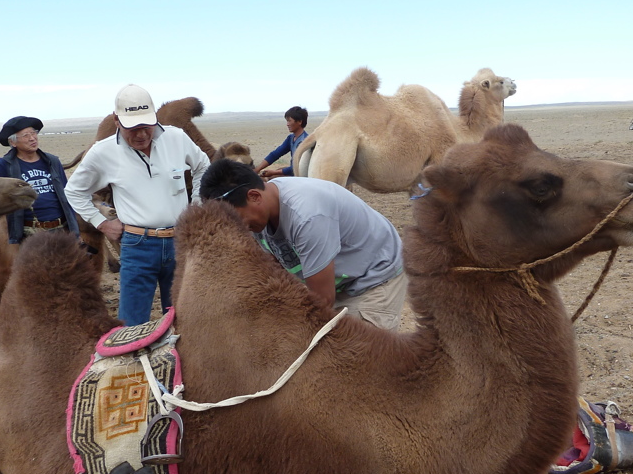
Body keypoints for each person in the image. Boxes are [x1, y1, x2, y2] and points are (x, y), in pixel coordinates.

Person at [201, 158, 407, 330]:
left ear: (254, 196)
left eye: (239, 220)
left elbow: (321, 301)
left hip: (373, 277)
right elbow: (274, 267)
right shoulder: (258, 215)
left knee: (360, 360)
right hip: (334, 278)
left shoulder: (308, 215)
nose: (241, 228)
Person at [65, 84, 211, 325]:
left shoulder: (176, 138)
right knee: (132, 322)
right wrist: (102, 223)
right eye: (133, 128)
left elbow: (203, 165)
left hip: (179, 241)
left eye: (147, 126)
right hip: (137, 245)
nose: (142, 134)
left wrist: (196, 204)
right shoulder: (103, 152)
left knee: (182, 320)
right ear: (116, 120)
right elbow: (74, 191)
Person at [0, 116, 79, 243]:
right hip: (31, 233)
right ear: (13, 142)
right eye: (25, 135)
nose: (32, 138)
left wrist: (75, 230)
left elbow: (66, 196)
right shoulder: (5, 164)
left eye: (33, 133)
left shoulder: (52, 161)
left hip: (61, 229)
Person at [254, 106, 308, 179]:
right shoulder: (291, 138)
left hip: (303, 178)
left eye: (289, 121)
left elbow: (298, 167)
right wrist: (257, 169)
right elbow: (276, 154)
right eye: (287, 121)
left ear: (299, 121)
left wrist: (274, 172)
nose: (287, 124)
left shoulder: (305, 142)